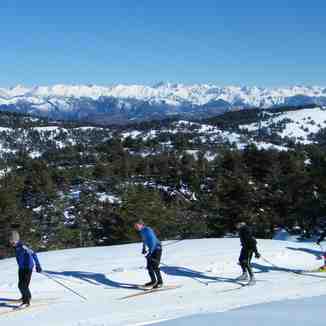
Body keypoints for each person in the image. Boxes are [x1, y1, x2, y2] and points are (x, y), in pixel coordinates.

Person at [9, 230, 42, 307]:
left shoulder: (23, 246)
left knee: (23, 285)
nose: (11, 242)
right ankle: (26, 296)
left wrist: (38, 265)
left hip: (28, 267)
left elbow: (33, 254)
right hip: (21, 268)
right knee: (21, 285)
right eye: (10, 241)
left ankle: (26, 302)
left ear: (16, 240)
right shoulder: (16, 246)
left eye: (12, 241)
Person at [134, 220, 163, 289]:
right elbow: (144, 240)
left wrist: (150, 252)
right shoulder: (141, 231)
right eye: (135, 226)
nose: (136, 227)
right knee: (149, 267)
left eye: (137, 226)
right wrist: (143, 248)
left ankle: (160, 282)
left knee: (155, 266)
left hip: (157, 249)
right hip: (151, 249)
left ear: (141, 225)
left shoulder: (148, 230)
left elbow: (153, 241)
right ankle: (153, 281)